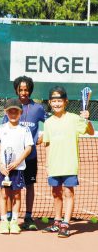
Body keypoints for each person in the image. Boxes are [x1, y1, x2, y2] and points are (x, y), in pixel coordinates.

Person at [41, 86, 94, 238]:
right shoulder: (48, 122)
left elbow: (90, 132)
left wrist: (87, 118)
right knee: (56, 193)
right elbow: (47, 143)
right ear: (50, 103)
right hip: (54, 165)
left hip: (69, 164)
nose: (56, 103)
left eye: (59, 101)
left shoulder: (74, 118)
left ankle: (65, 224)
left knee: (68, 192)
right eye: (54, 101)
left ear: (65, 102)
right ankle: (57, 222)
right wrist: (46, 164)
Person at [4, 76, 46, 231]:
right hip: (13, 158)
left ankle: (28, 216)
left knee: (29, 186)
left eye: (26, 89)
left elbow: (51, 122)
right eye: (21, 89)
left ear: (30, 90)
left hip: (30, 156)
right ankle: (9, 216)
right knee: (10, 187)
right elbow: (3, 128)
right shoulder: (11, 106)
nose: (23, 92)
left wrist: (44, 137)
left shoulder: (38, 108)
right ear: (16, 90)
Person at [0, 98, 32, 235]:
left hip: (18, 169)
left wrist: (17, 162)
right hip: (3, 169)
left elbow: (28, 148)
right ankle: (4, 221)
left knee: (17, 195)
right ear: (6, 112)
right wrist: (1, 164)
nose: (13, 114)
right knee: (3, 195)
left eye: (16, 111)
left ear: (20, 113)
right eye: (10, 111)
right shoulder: (0, 129)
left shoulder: (24, 130)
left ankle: (14, 221)